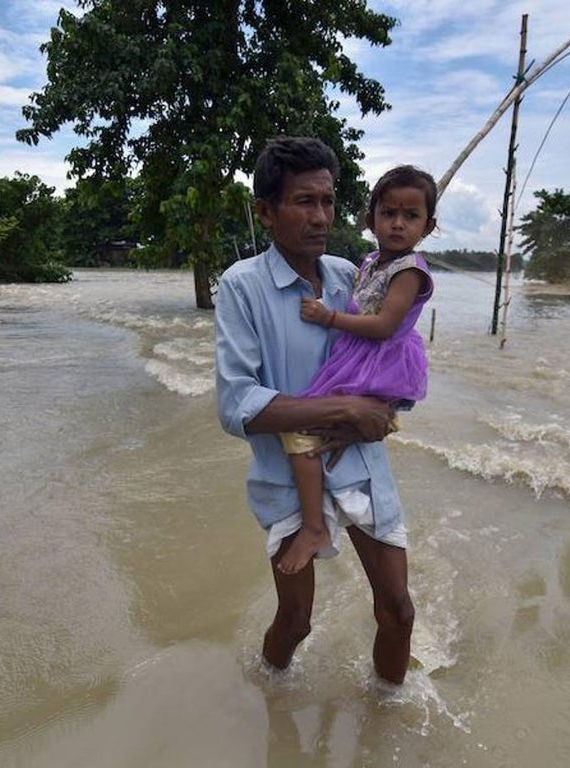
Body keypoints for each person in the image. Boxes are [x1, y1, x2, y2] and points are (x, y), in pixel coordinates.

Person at [214, 136, 414, 685]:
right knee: (297, 620)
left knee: (398, 611)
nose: (321, 216)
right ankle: (268, 696)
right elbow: (237, 404)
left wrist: (378, 410)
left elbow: (389, 352)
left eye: (328, 201)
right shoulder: (241, 287)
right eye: (304, 201)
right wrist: (347, 408)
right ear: (266, 211)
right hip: (286, 475)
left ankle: (387, 713)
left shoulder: (351, 275)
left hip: (359, 466)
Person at [275, 165, 436, 575]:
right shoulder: (368, 261)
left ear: (428, 226)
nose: (398, 224)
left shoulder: (410, 271)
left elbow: (383, 327)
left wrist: (328, 318)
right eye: (389, 214)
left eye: (411, 216)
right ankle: (319, 515)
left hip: (377, 360)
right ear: (371, 220)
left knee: (300, 428)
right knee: (318, 424)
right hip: (358, 355)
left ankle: (314, 527)